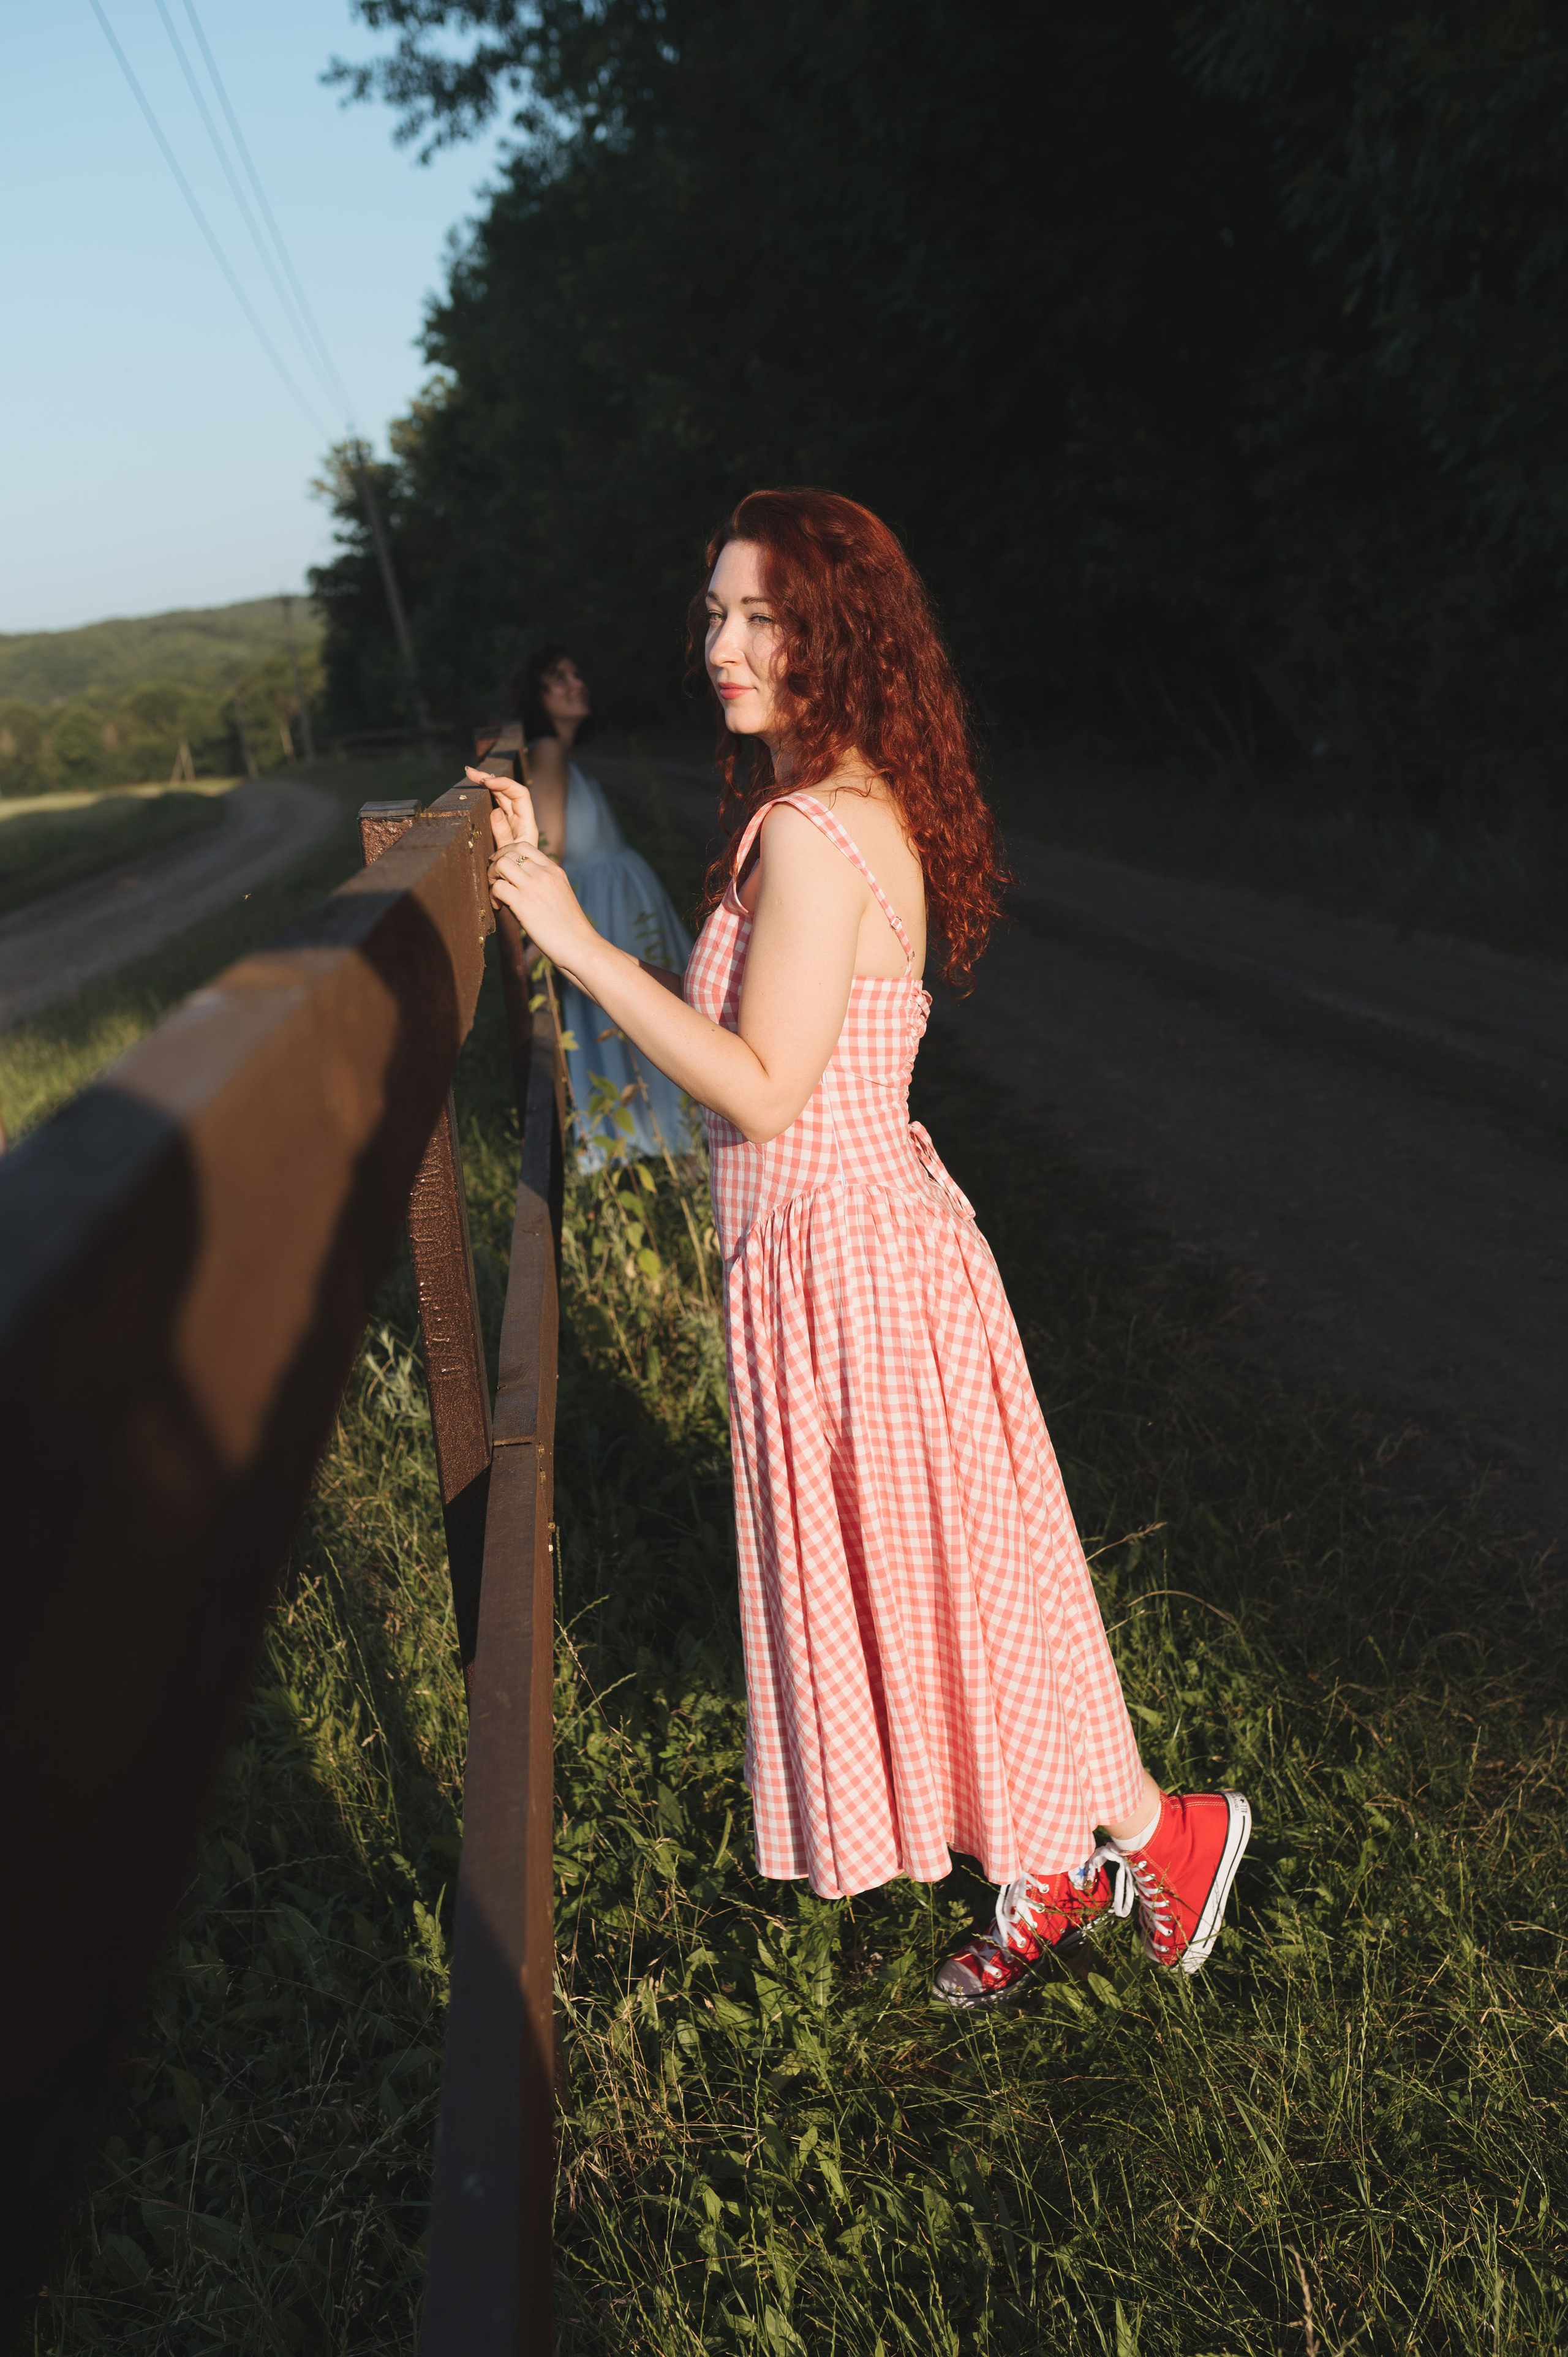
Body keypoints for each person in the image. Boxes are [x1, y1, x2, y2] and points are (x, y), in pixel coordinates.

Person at [473, 491, 1250, 2007]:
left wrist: (576, 942)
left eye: (762, 615)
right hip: (829, 1261)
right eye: (712, 612)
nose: (722, 644)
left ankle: (1153, 1832)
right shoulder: (811, 804)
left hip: (856, 1271)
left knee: (957, 1585)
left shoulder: (822, 836)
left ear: (836, 633)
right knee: (947, 1587)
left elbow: (761, 1087)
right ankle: (1074, 1852)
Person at [509, 642, 695, 1164]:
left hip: (620, 897)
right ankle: (656, 1135)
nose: (575, 683)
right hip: (602, 906)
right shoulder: (546, 752)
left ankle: (666, 1132)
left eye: (576, 672)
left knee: (647, 1008)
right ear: (537, 698)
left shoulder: (562, 755)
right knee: (640, 1010)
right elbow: (550, 851)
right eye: (558, 679)